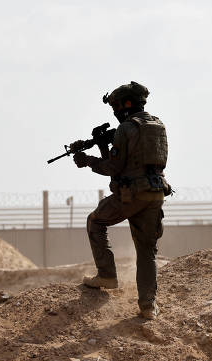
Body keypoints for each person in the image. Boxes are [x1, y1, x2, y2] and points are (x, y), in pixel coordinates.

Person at [72, 81, 169, 320]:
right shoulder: (157, 125)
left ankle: (106, 275)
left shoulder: (126, 129)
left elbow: (113, 168)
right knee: (147, 251)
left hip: (131, 195)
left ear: (125, 104)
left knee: (95, 221)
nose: (115, 111)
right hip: (155, 193)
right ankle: (148, 306)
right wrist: (106, 145)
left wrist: (88, 160)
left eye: (116, 106)